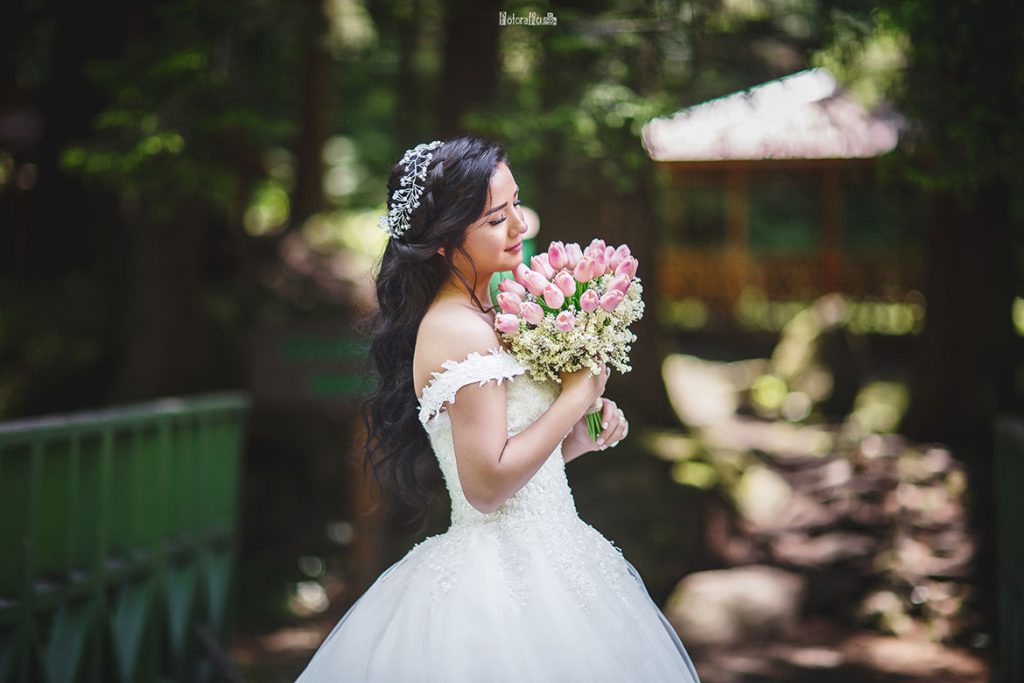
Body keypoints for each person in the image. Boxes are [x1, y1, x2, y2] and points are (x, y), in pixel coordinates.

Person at [295, 136, 702, 682]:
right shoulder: (458, 330)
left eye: (515, 205)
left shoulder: (492, 312)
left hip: (555, 551)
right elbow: (485, 489)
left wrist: (577, 436)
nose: (519, 227)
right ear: (442, 242)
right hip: (501, 578)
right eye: (495, 219)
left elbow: (515, 471)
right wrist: (574, 398)